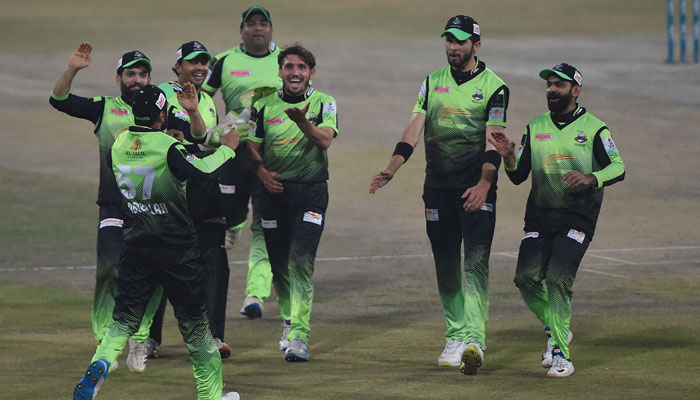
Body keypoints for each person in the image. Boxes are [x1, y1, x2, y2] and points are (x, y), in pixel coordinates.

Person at [72, 84, 241, 400]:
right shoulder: (168, 146)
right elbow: (203, 171)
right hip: (177, 250)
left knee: (122, 321)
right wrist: (228, 148)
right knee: (196, 329)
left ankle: (102, 363)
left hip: (136, 247)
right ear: (162, 115)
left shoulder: (120, 143)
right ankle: (211, 396)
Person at [369, 15, 508, 375]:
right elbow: (414, 127)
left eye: (460, 42)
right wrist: (393, 167)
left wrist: (484, 184)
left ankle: (475, 339)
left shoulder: (494, 87)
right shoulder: (432, 83)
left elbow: (494, 140)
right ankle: (456, 334)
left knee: (475, 263)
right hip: (438, 189)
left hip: (476, 189)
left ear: (476, 45)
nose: (453, 47)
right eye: (449, 40)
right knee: (445, 263)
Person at [489, 63, 625, 378]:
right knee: (525, 278)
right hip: (539, 218)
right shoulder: (535, 127)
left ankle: (562, 356)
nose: (551, 90)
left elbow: (618, 167)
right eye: (549, 84)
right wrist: (509, 155)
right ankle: (555, 328)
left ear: (576, 90)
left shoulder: (594, 129)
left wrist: (592, 177)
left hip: (578, 218)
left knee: (559, 279)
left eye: (558, 85)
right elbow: (518, 176)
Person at [50, 43, 164, 372]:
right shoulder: (105, 108)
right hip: (114, 204)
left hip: (152, 209)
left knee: (151, 274)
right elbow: (58, 100)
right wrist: (72, 69)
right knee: (109, 269)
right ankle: (104, 337)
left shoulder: (161, 108)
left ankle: (140, 336)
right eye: (131, 74)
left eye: (143, 74)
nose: (138, 79)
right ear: (119, 78)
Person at [248, 44, 338, 362]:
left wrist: (303, 123)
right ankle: (288, 320)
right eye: (289, 66)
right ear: (280, 71)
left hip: (310, 192)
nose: (295, 72)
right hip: (273, 194)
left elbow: (325, 139)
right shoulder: (264, 105)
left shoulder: (324, 103)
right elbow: (252, 146)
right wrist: (261, 172)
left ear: (311, 72)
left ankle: (299, 335)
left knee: (300, 261)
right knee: (279, 263)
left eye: (301, 67)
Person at [146, 41, 233, 359]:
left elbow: (201, 140)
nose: (200, 68)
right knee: (158, 267)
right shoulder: (161, 93)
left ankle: (212, 336)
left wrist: (212, 130)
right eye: (193, 62)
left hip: (204, 192)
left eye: (204, 63)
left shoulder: (208, 100)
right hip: (170, 192)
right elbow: (157, 132)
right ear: (178, 65)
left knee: (214, 263)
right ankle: (148, 339)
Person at [202, 6, 282, 320]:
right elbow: (204, 100)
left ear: (271, 30)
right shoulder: (224, 61)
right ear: (242, 31)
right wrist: (213, 130)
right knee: (228, 214)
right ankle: (233, 223)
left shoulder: (285, 60)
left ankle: (255, 294)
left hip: (270, 155)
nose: (258, 29)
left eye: (263, 24)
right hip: (234, 153)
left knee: (264, 226)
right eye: (251, 24)